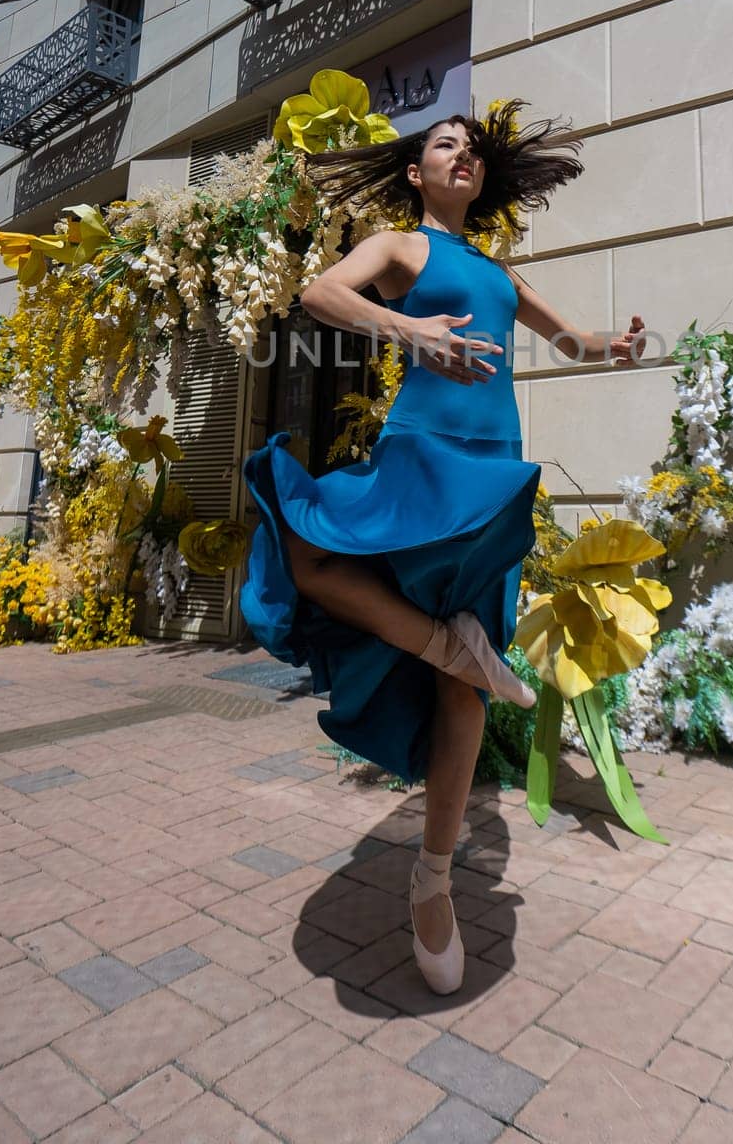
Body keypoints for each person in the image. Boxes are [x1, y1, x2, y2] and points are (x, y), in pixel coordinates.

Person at [240, 99, 647, 995]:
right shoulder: (401, 247)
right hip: (419, 456)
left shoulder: (497, 272)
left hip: (488, 469)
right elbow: (319, 292)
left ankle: (433, 880)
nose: (459, 154)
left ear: (481, 178)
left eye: (469, 148)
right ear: (419, 172)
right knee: (312, 555)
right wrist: (409, 329)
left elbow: (566, 338)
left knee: (465, 693)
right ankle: (441, 643)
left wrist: (609, 347)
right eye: (442, 144)